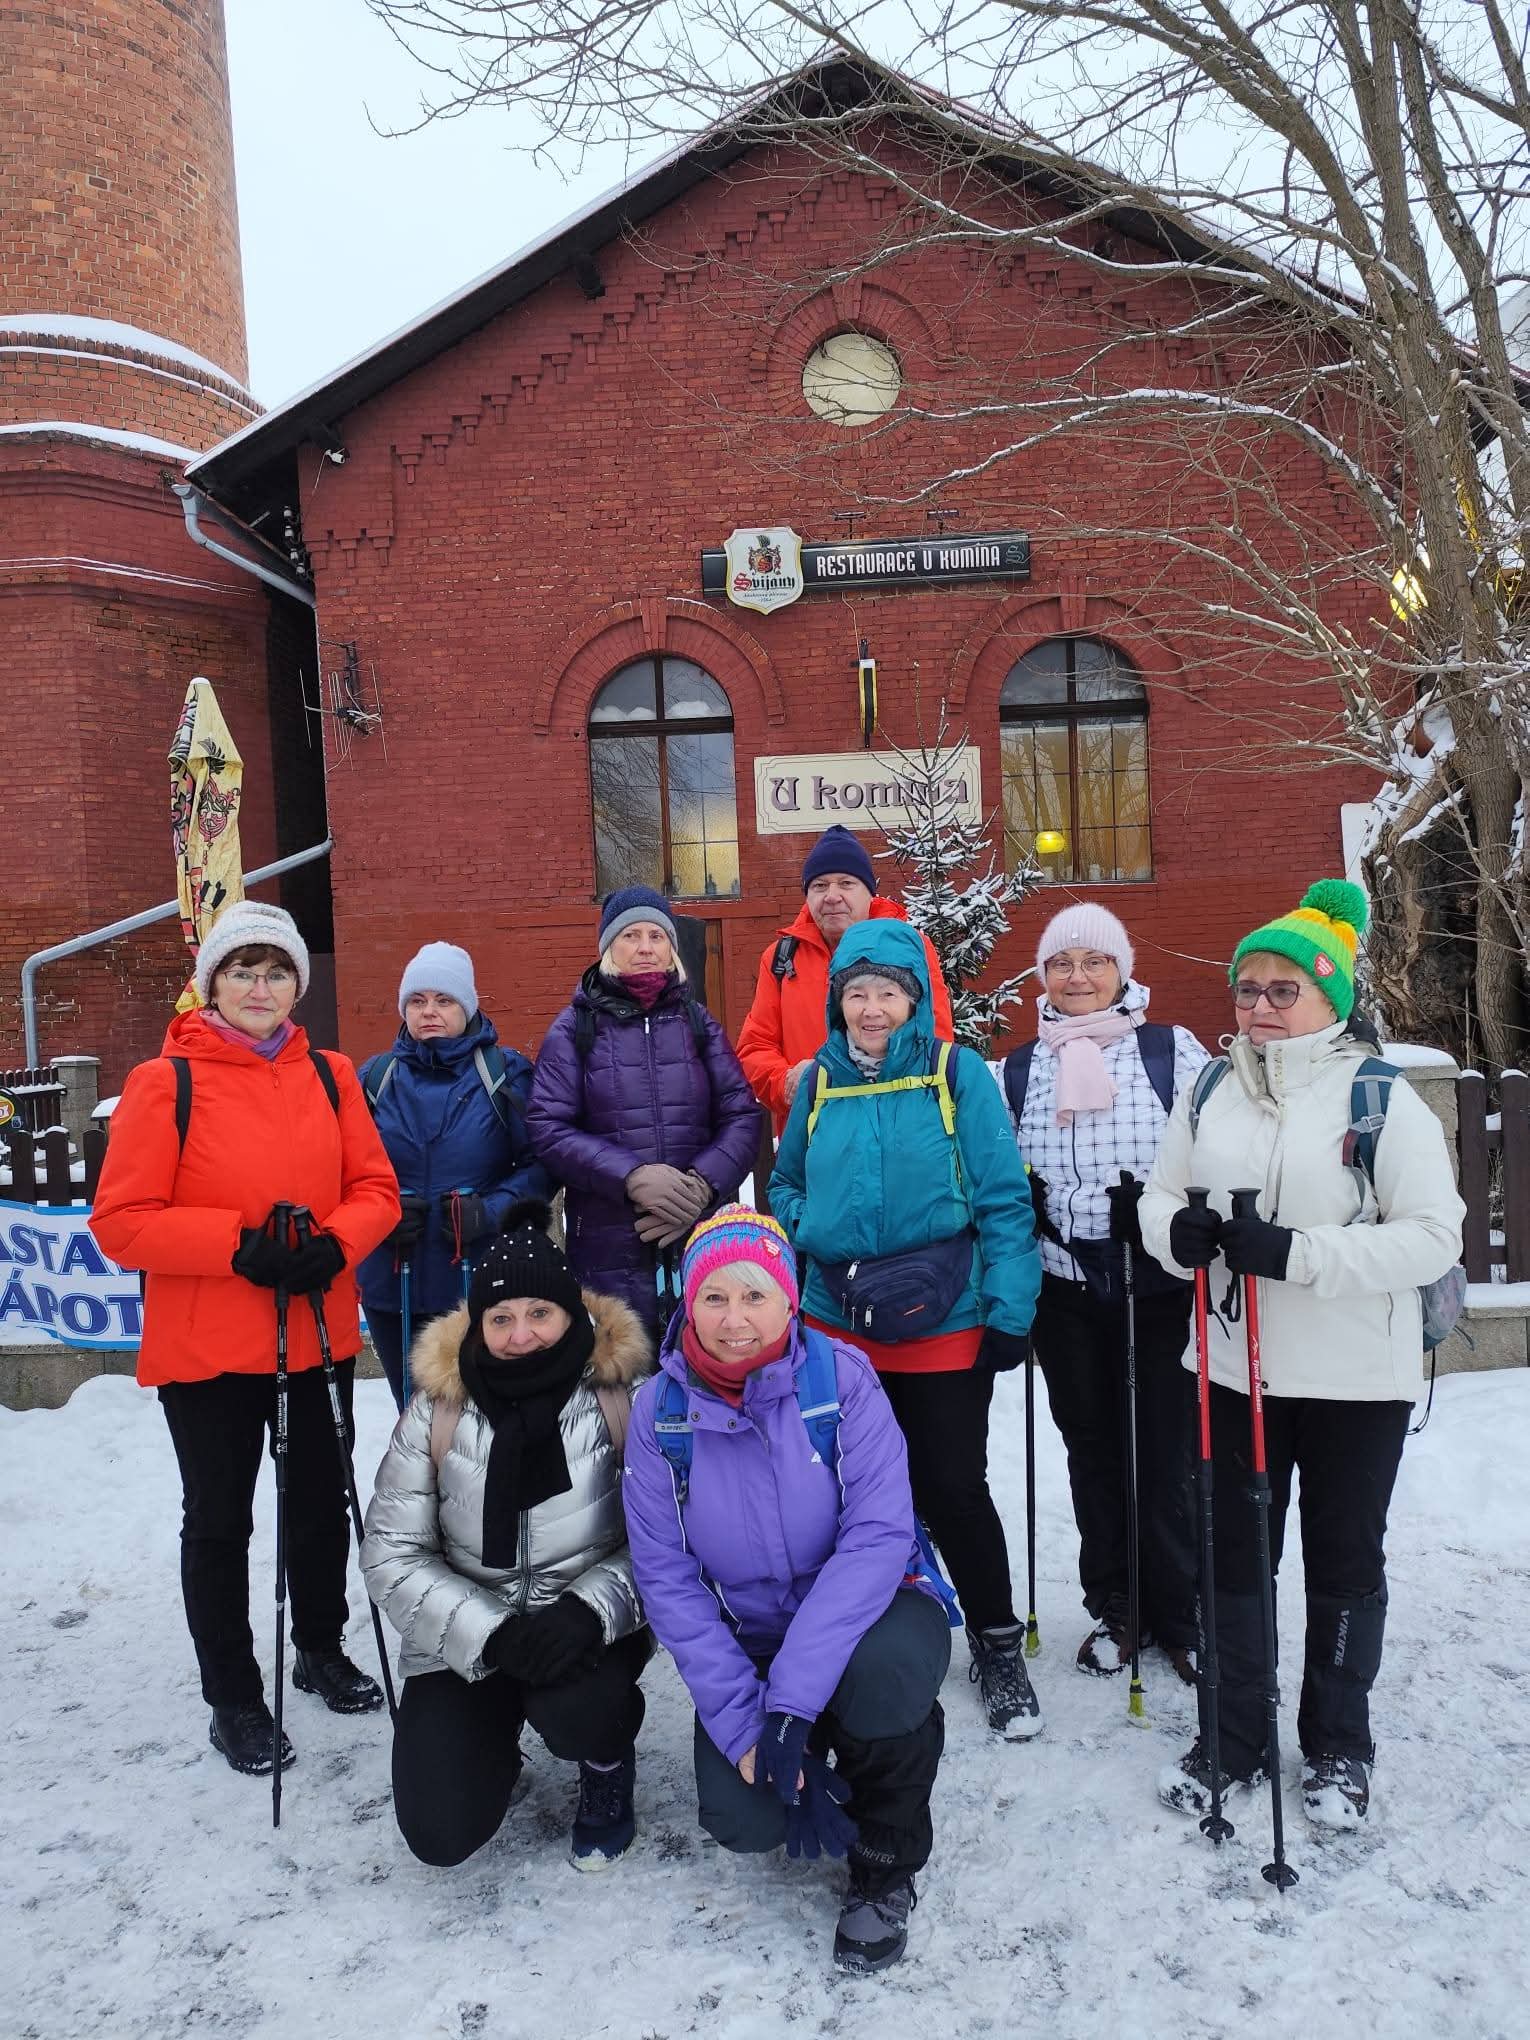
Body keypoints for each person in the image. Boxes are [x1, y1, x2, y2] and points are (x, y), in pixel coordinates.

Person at [1140, 880, 1464, 1828]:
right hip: (1233, 1368)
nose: (1262, 1006)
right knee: (1235, 1557)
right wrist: (1174, 1236)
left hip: (1356, 1378)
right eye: (1248, 988)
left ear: (1332, 999)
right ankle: (1232, 1736)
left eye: (1285, 989)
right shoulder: (1210, 1089)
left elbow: (1433, 1237)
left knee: (1344, 1557)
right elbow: (1161, 1197)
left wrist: (1298, 1255)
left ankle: (1338, 1745)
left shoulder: (1381, 1098)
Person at [90, 900, 401, 1776]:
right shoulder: (166, 1082)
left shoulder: (330, 1075)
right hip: (209, 1350)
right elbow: (121, 1222)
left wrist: (336, 1243)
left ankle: (319, 1646)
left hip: (314, 1331)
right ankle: (232, 1695)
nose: (259, 989)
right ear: (211, 984)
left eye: (275, 974)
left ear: (296, 986)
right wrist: (236, 1245)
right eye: (241, 972)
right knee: (220, 1520)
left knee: (320, 1504)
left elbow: (376, 1188)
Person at [622, 1206, 951, 1973]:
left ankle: (885, 1862)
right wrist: (748, 1725)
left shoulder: (840, 1381)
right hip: (752, 1635)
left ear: (789, 1299)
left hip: (874, 1609)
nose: (734, 1319)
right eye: (714, 1297)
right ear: (688, 1303)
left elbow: (877, 1538)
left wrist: (792, 1706)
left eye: (755, 1295)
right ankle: (819, 1741)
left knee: (884, 1681)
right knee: (743, 1818)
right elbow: (667, 1578)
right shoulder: (659, 1414)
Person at [768, 918, 1044, 1740]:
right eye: (856, 993)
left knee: (953, 1487)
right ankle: (857, 1635)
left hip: (943, 1321)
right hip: (838, 1324)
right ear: (837, 1002)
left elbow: (1002, 1195)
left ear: (915, 1000)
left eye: (887, 992)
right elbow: (783, 1185)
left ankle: (997, 1641)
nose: (871, 1009)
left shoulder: (956, 1074)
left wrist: (1011, 1309)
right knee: (843, 1492)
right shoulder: (819, 1082)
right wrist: (811, 1224)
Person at [362, 1205, 652, 1869]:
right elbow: (391, 1553)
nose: (522, 1336)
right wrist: (489, 1634)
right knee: (439, 1833)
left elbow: (668, 1538)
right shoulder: (437, 1407)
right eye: (501, 1318)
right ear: (477, 1324)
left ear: (571, 1314)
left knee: (582, 1712)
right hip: (468, 1636)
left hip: (582, 1629)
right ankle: (493, 1744)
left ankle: (605, 1764)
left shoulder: (624, 1397)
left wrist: (587, 1611)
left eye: (540, 1314)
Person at [1002, 903, 1210, 1683]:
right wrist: (1024, 1200)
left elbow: (1214, 1147)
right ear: (1043, 975)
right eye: (1061, 963)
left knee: (1165, 1449)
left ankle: (1181, 1607)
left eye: (1095, 961)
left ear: (1122, 971)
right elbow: (996, 1165)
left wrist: (1168, 1209)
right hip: (1066, 1285)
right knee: (1091, 1450)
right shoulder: (1019, 1068)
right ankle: (1118, 1601)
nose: (1078, 976)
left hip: (1157, 1284)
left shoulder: (1169, 1051)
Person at [527, 886, 761, 1339]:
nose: (645, 947)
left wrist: (701, 1185)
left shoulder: (698, 1022)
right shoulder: (575, 1028)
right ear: (608, 947)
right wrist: (630, 1177)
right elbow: (548, 1127)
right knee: (625, 1371)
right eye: (630, 935)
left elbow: (742, 1115)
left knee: (705, 1362)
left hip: (698, 1239)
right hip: (609, 1245)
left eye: (657, 936)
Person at [357, 941, 547, 1409]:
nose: (429, 1012)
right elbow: (343, 1170)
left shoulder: (504, 1074)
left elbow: (543, 1164)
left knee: (484, 1416)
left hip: (481, 1278)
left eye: (444, 1000)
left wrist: (490, 1211)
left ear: (467, 1006)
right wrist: (381, 1213)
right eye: (417, 1001)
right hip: (393, 1279)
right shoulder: (375, 1077)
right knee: (415, 1415)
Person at [736, 824, 955, 1135]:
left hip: (895, 1131)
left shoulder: (912, 949)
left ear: (870, 893)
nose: (832, 896)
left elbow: (936, 1038)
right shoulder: (781, 957)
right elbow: (755, 1047)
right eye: (819, 886)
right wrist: (787, 1084)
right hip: (811, 1134)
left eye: (846, 883)